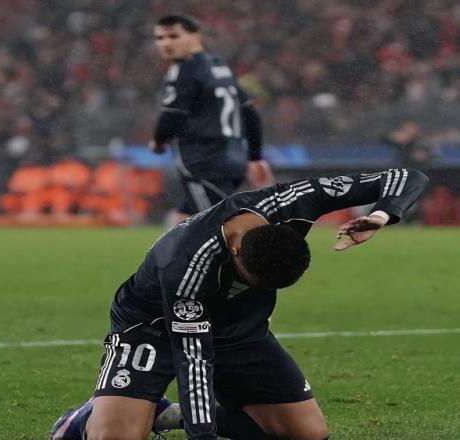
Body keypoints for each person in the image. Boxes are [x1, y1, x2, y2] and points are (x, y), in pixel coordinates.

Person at [50, 168, 428, 440]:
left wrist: (380, 215)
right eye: (252, 282)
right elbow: (193, 362)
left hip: (238, 329)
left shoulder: (294, 201)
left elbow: (407, 177)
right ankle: (84, 419)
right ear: (235, 251)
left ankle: (165, 415)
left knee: (307, 434)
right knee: (115, 436)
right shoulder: (186, 267)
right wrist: (202, 436)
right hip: (151, 327)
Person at [149, 15, 273, 223]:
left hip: (203, 161)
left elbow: (173, 115)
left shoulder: (184, 69)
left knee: (216, 226)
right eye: (160, 38)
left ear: (195, 36)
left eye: (174, 36)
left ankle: (273, 243)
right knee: (184, 218)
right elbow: (249, 111)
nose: (166, 43)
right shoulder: (218, 65)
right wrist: (255, 157)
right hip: (233, 159)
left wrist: (159, 141)